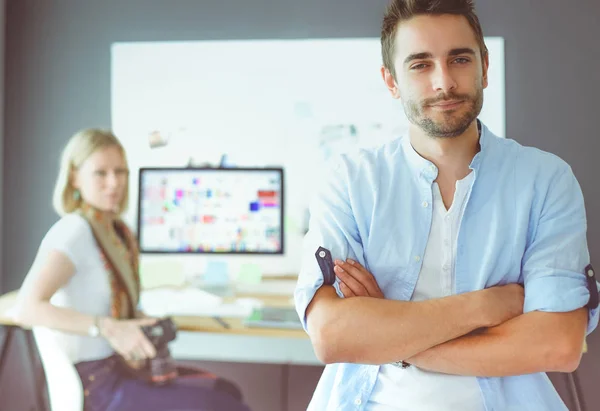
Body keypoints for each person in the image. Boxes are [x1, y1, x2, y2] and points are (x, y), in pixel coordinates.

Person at [294, 0, 599, 410]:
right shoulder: (351, 181)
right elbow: (332, 337)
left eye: (459, 59)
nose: (444, 82)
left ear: (484, 67)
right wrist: (490, 305)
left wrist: (391, 336)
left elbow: (556, 345)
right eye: (420, 65)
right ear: (391, 81)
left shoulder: (545, 180)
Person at [13, 129, 251, 411]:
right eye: (101, 173)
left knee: (226, 391)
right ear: (75, 176)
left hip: (123, 368)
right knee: (224, 405)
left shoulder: (118, 233)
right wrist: (108, 327)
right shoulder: (73, 231)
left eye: (121, 172)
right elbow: (26, 308)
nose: (114, 183)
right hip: (99, 386)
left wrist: (136, 321)